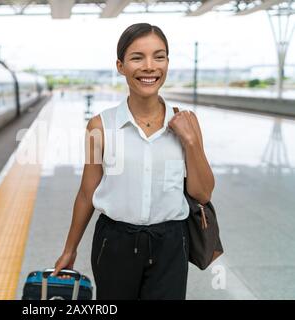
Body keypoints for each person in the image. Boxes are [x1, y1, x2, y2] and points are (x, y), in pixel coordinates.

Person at [52, 23, 215, 300]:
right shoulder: (100, 126)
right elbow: (87, 192)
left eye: (159, 56)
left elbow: (202, 193)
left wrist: (191, 141)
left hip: (172, 242)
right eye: (137, 58)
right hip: (113, 243)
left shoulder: (187, 122)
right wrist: (70, 248)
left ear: (167, 63)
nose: (149, 66)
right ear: (120, 65)